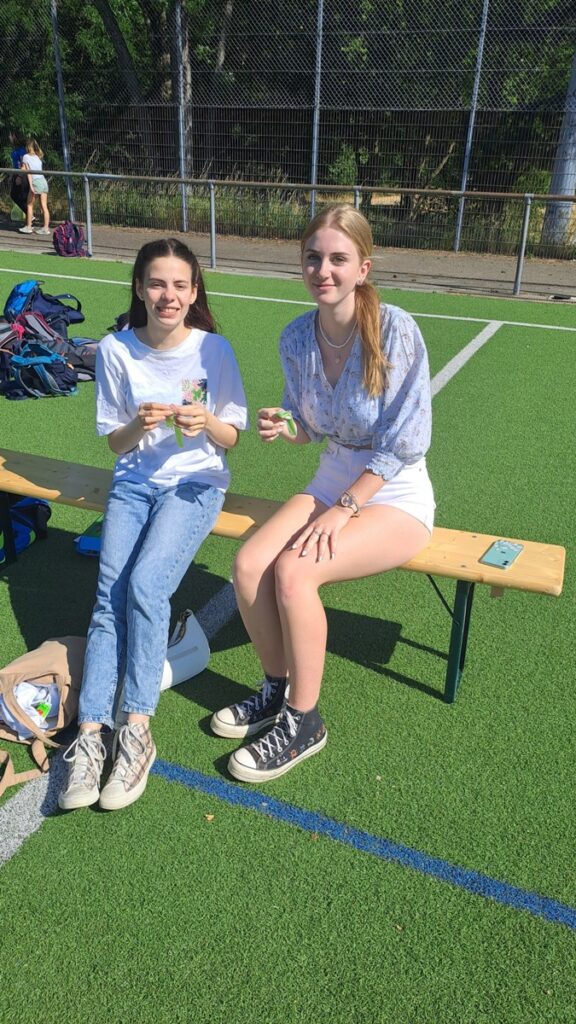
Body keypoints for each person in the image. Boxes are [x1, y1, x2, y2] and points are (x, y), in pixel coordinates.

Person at [211, 204, 435, 783]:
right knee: (249, 564)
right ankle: (276, 688)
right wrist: (286, 424)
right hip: (332, 476)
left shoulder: (395, 329)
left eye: (338, 258)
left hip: (395, 492)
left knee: (294, 572)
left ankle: (304, 720)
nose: (323, 270)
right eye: (313, 258)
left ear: (363, 267)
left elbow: (406, 440)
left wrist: (346, 509)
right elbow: (311, 425)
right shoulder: (295, 336)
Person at [58, 238, 248, 811]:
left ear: (194, 292)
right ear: (139, 288)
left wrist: (206, 421)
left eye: (180, 285)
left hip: (195, 484)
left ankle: (136, 730)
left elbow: (232, 436)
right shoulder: (116, 349)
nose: (169, 295)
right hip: (135, 483)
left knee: (145, 585)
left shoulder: (214, 350)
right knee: (109, 596)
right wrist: (140, 426)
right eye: (157, 283)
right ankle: (92, 734)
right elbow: (116, 444)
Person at [17, 138, 51, 235]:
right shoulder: (37, 157)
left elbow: (27, 171)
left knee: (29, 204)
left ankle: (29, 227)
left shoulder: (25, 157)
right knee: (44, 206)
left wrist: (31, 186)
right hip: (43, 182)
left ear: (28, 147)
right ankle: (46, 228)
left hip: (36, 182)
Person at [8, 131, 28, 217]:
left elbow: (24, 164)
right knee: (15, 195)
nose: (9, 138)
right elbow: (15, 164)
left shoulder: (22, 150)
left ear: (14, 137)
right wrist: (11, 175)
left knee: (17, 195)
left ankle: (30, 215)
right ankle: (29, 216)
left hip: (22, 175)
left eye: (10, 136)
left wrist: (20, 176)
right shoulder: (15, 150)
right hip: (16, 174)